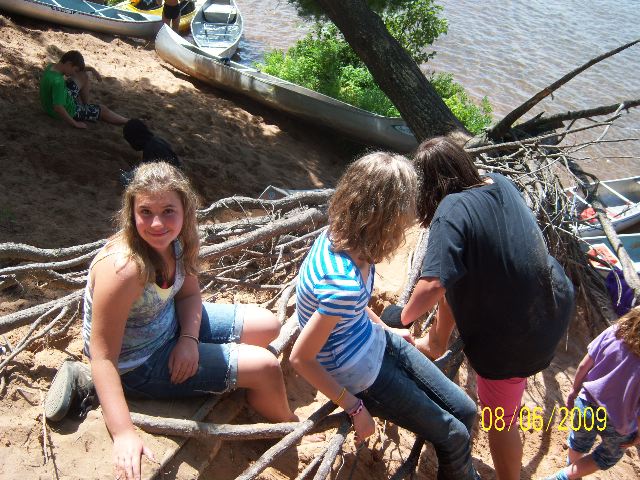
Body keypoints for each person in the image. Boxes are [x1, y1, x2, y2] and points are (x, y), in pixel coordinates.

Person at [45, 162, 296, 480]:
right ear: (131, 211)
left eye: (168, 211)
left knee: (269, 325)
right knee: (265, 367)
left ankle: (245, 387)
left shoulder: (177, 242)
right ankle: (286, 424)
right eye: (146, 212)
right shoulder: (124, 269)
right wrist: (123, 433)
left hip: (169, 323)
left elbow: (189, 296)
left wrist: (188, 340)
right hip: (139, 363)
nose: (157, 223)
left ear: (185, 210)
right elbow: (103, 356)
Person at [290, 152, 480, 479]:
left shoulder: (347, 239)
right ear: (387, 218)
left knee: (465, 410)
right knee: (454, 434)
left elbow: (353, 310)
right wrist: (354, 407)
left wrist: (387, 331)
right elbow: (301, 358)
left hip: (373, 341)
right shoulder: (342, 282)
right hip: (360, 374)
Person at [395, 137, 575, 480]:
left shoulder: (450, 209)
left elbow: (433, 284)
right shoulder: (500, 182)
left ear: (426, 185)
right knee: (460, 272)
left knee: (500, 420)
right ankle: (437, 342)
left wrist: (400, 317)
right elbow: (462, 271)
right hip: (553, 302)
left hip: (516, 337)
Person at [545, 307, 640, 480]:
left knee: (579, 441)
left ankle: (570, 471)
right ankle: (565, 476)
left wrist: (574, 391)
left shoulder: (614, 332)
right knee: (607, 456)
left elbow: (583, 366)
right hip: (619, 422)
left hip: (586, 403)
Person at [39, 50, 128, 129]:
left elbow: (77, 71)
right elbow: (58, 107)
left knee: (83, 76)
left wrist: (91, 69)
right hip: (68, 111)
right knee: (103, 110)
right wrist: (75, 124)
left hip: (51, 105)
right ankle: (127, 121)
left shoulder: (51, 67)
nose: (74, 73)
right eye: (75, 70)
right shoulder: (58, 81)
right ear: (69, 64)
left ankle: (86, 106)